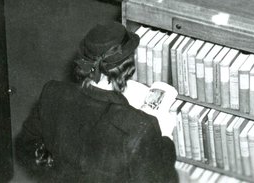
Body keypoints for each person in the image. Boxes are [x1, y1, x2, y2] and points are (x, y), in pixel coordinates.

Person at [15, 22, 178, 183]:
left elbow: (27, 146)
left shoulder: (52, 92)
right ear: (128, 66)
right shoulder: (140, 129)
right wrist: (165, 136)